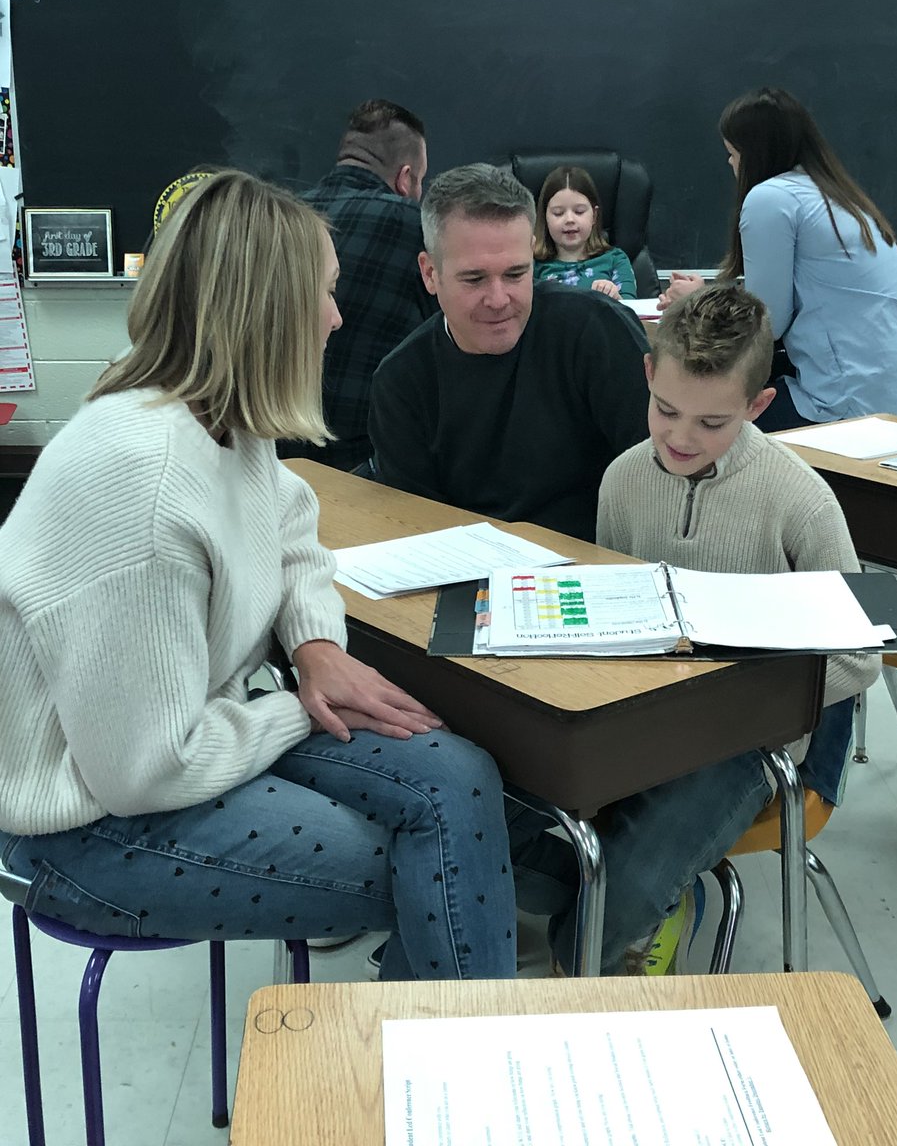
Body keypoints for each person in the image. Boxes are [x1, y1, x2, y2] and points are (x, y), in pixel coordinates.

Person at [0, 169, 557, 982]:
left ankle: (424, 1058)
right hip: (88, 826)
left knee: (459, 778)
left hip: (198, 728)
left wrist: (315, 647)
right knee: (445, 862)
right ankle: (439, 1081)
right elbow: (145, 770)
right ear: (263, 313)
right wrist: (298, 707)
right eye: (325, 295)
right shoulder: (143, 484)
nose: (337, 317)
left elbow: (291, 526)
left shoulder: (218, 414)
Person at [592, 283, 880, 971]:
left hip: (751, 739)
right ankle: (649, 905)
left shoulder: (800, 502)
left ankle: (627, 929)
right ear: (648, 377)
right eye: (666, 410)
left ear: (757, 407)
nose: (681, 437)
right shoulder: (622, 480)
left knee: (622, 883)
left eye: (712, 423)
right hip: (642, 713)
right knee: (542, 824)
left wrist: (746, 694)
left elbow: (860, 658)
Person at [368, 163, 650, 542]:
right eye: (475, 278)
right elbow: (420, 536)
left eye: (517, 274)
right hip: (468, 575)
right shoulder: (401, 383)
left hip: (599, 565)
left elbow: (658, 479)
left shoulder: (596, 333)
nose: (499, 300)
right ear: (430, 273)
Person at [659, 87, 897, 430]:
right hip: (886, 390)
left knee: (702, 420)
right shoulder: (840, 196)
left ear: (755, 153)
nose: (730, 163)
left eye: (732, 152)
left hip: (850, 404)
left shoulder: (770, 198)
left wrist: (696, 301)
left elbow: (766, 324)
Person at [278, 99, 436, 471]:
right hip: (368, 458)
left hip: (272, 445)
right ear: (405, 177)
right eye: (421, 181)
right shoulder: (417, 227)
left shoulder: (282, 222)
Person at [533, 165, 637, 299]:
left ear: (594, 215)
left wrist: (616, 299)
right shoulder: (532, 264)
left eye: (579, 211)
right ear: (544, 217)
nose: (569, 219)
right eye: (558, 213)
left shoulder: (615, 259)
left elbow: (632, 313)